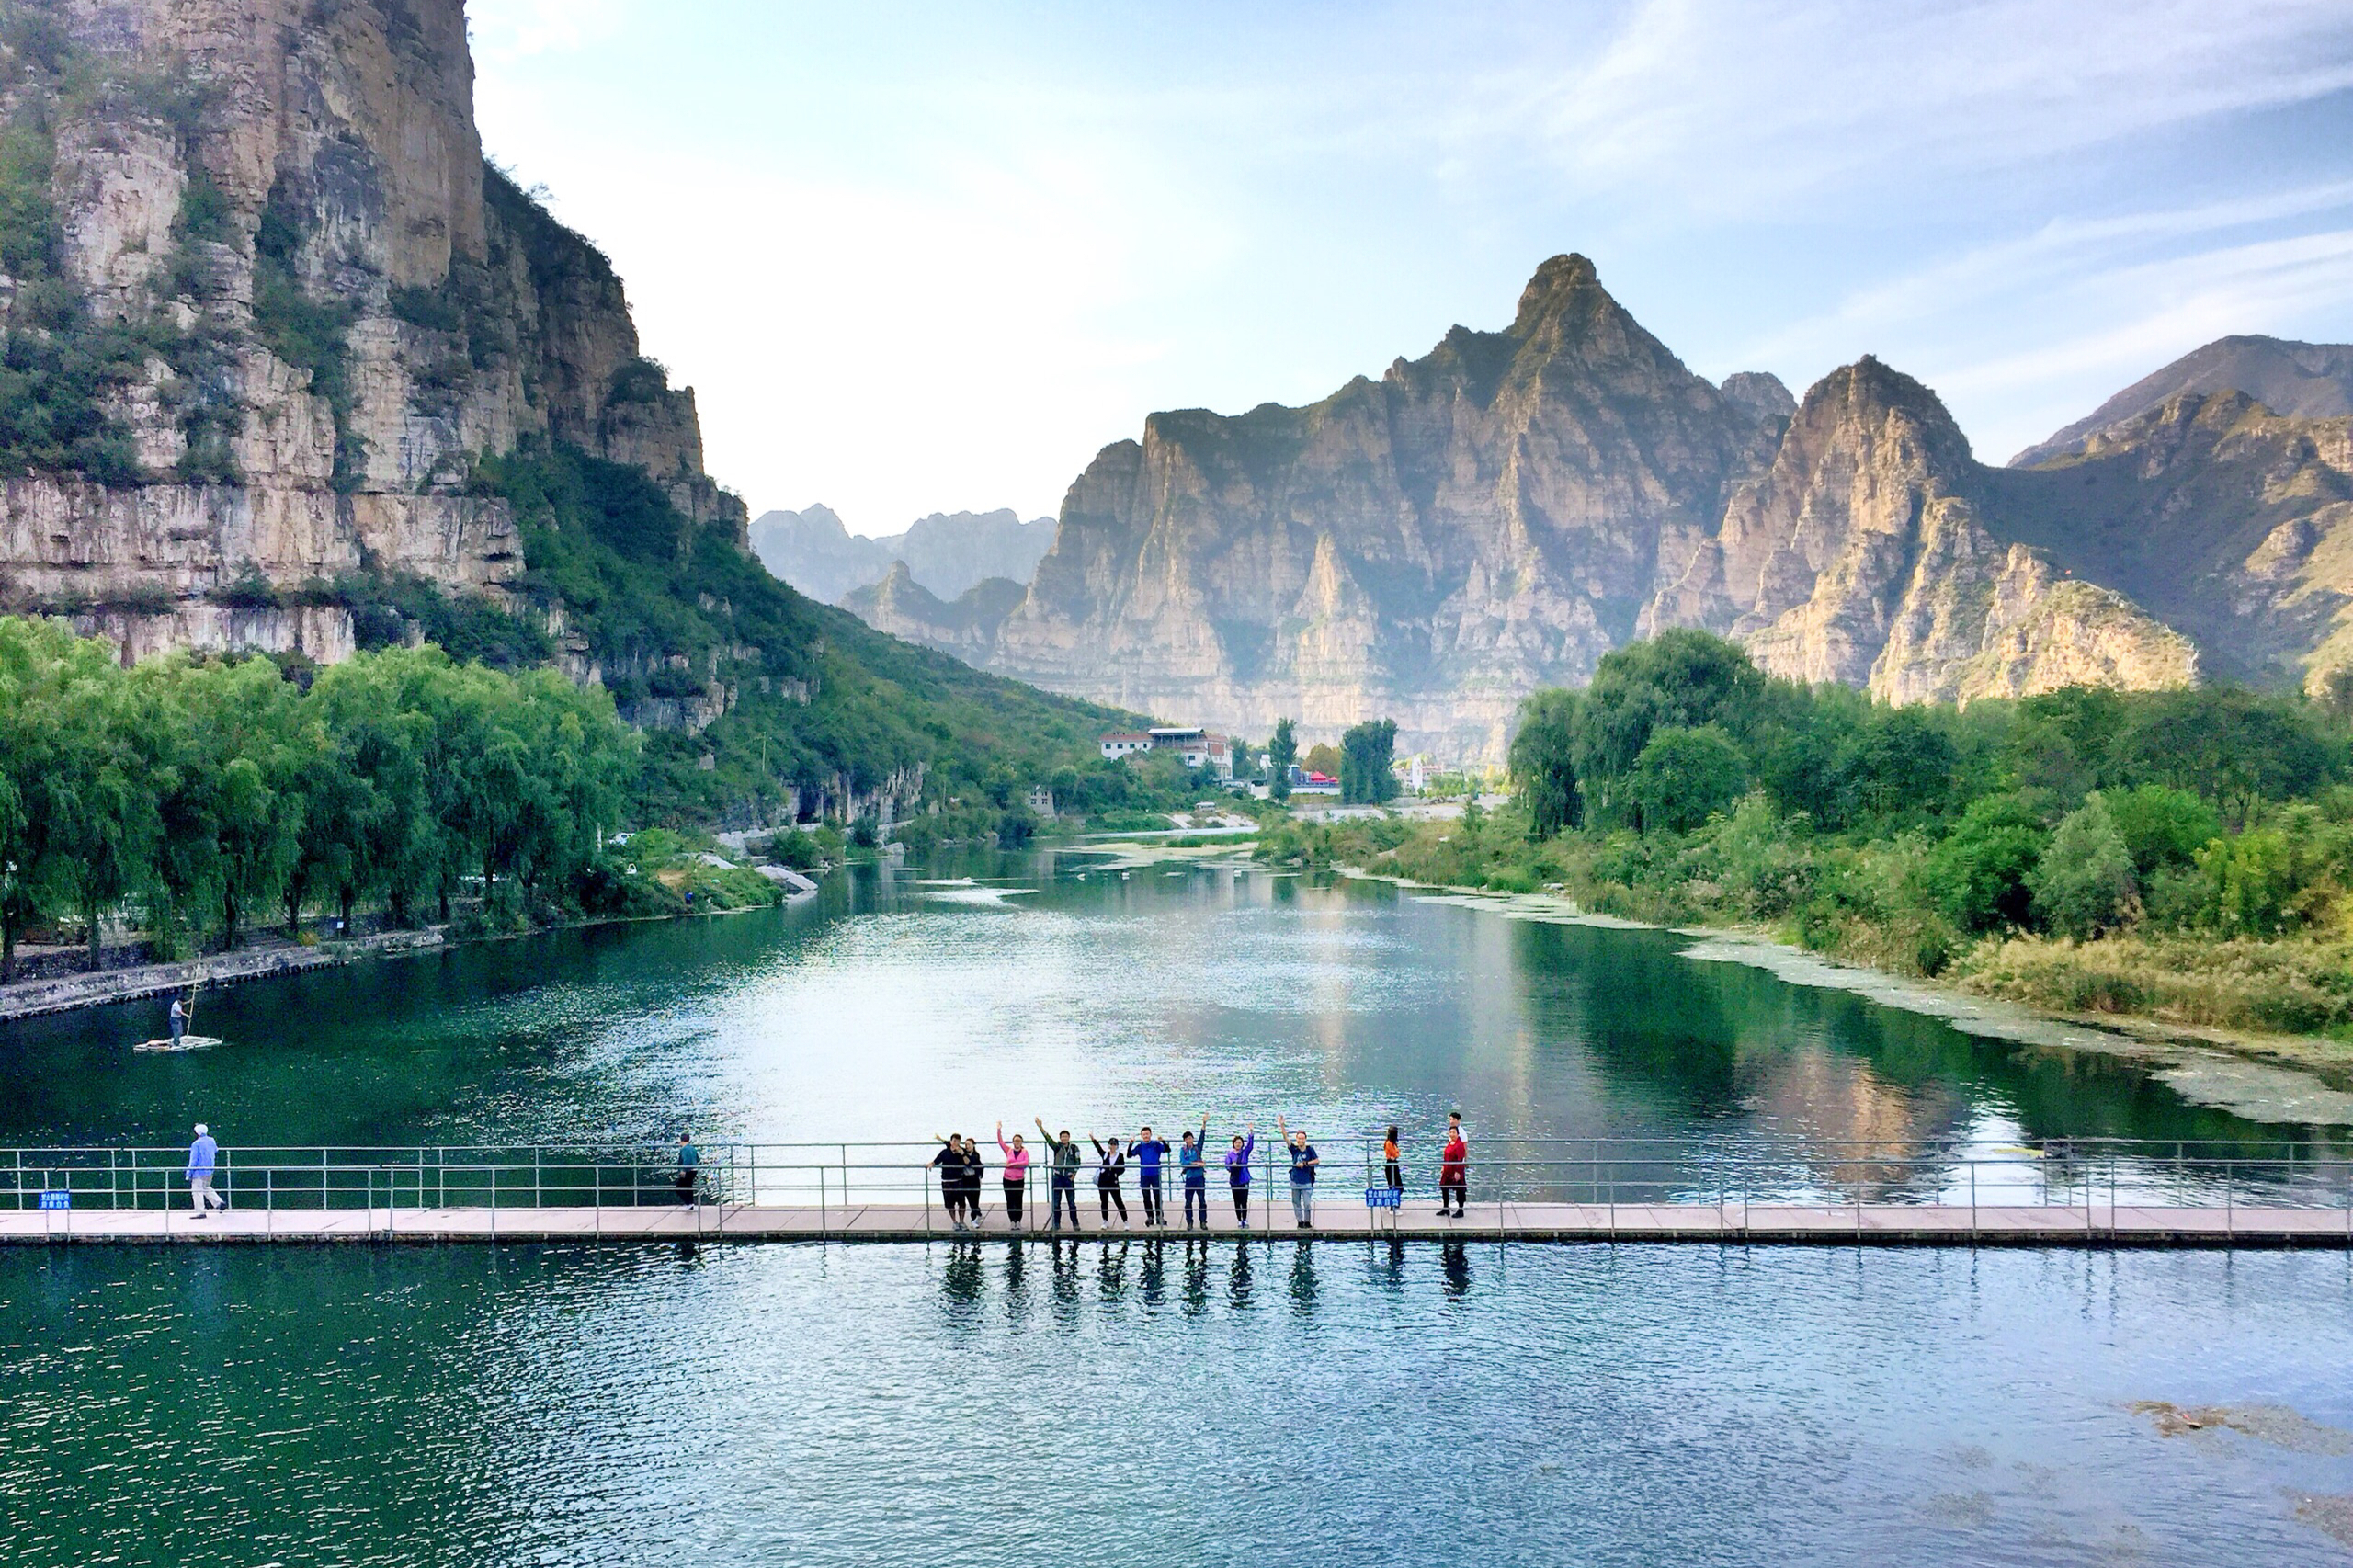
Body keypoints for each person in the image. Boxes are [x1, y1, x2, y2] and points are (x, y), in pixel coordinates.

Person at [1036, 1118, 1082, 1232]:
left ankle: (1075, 1224)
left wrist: (1074, 1173)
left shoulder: (1074, 1148)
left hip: (1068, 1178)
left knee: (1071, 1202)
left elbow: (1078, 1161)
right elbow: (1048, 1139)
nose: (1064, 1138)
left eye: (1066, 1137)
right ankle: (1056, 1224)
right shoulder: (1057, 1147)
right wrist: (1041, 1127)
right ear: (1060, 1138)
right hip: (1057, 1177)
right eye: (1062, 1137)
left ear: (1069, 1138)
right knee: (1056, 1202)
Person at [1279, 1115, 1319, 1229]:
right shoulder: (1294, 1150)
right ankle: (1300, 1221)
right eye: (1299, 1138)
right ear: (1297, 1139)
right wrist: (1282, 1126)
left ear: (1305, 1139)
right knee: (1296, 1202)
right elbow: (1286, 1139)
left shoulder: (1310, 1150)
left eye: (1302, 1138)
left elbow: (1317, 1160)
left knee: (1307, 1204)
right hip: (1295, 1180)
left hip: (1306, 1181)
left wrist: (1305, 1163)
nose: (1300, 1140)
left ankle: (1307, 1221)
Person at [1131, 1124, 1171, 1228]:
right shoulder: (1140, 1146)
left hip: (1155, 1174)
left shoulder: (1156, 1144)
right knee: (1146, 1197)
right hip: (1144, 1174)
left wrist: (1163, 1141)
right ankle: (1150, 1217)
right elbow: (1129, 1154)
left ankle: (1159, 1217)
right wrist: (1130, 1144)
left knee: (1157, 1196)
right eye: (1144, 1135)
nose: (1146, 1136)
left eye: (1147, 1134)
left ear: (1150, 1134)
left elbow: (1167, 1150)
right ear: (1141, 1136)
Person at [1177, 1116, 1211, 1230]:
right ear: (1185, 1141)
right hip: (1190, 1178)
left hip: (1199, 1177)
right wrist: (1197, 1163)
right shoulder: (1183, 1150)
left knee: (1202, 1200)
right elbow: (1183, 1162)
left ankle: (1203, 1222)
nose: (1189, 1140)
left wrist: (1204, 1124)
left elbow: (1202, 1138)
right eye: (1187, 1139)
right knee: (1188, 1202)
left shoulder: (1197, 1148)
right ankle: (1189, 1222)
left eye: (1190, 1138)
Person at [185, 1123, 224, 1217]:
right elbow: (215, 1150)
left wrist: (189, 1173)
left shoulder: (196, 1144)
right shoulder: (211, 1141)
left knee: (197, 1191)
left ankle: (200, 1211)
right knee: (206, 1187)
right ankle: (219, 1203)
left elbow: (193, 1160)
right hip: (210, 1169)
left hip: (198, 1171)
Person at [996, 1123, 1030, 1229]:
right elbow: (1000, 1142)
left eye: (1019, 1141)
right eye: (1015, 1141)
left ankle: (1018, 1221)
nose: (1017, 1142)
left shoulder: (1025, 1152)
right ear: (1013, 1142)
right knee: (1009, 1200)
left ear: (1022, 1142)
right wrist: (999, 1130)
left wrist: (1012, 1165)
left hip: (1019, 1180)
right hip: (1007, 1179)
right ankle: (1012, 1220)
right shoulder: (1009, 1151)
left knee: (1018, 1199)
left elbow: (1026, 1163)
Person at [1090, 1132, 1129, 1225]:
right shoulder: (1105, 1155)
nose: (1113, 1146)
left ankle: (1125, 1221)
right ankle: (1105, 1220)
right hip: (1103, 1181)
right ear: (1109, 1145)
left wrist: (1116, 1173)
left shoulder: (1120, 1156)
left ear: (1117, 1146)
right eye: (1111, 1144)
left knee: (1118, 1201)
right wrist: (1093, 1139)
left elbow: (1122, 1168)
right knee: (1104, 1201)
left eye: (1114, 1144)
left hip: (1113, 1181)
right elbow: (1098, 1148)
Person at [1224, 1123, 1256, 1228]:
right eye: (1236, 1143)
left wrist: (1251, 1132)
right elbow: (1227, 1166)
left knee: (1244, 1200)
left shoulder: (1244, 1153)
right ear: (1233, 1144)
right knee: (1236, 1200)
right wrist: (1232, 1166)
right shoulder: (1230, 1155)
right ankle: (1239, 1219)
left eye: (1240, 1143)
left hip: (1244, 1179)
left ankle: (1245, 1219)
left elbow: (1250, 1145)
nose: (1238, 1144)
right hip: (1234, 1180)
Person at [1439, 1111, 1469, 1218]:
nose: (1452, 1135)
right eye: (1450, 1133)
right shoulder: (1449, 1143)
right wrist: (1443, 1166)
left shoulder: (1459, 1144)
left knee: (1459, 1190)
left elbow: (1460, 1158)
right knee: (1444, 1187)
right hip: (1447, 1168)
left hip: (1456, 1169)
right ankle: (1445, 1208)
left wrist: (1458, 1171)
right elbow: (1446, 1155)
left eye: (1454, 1133)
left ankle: (1460, 1210)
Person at [958, 1134, 986, 1226]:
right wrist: (941, 1139)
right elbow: (953, 1146)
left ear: (973, 1145)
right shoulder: (963, 1152)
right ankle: (976, 1216)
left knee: (975, 1199)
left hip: (974, 1179)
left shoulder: (975, 1155)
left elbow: (969, 1163)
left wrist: (962, 1154)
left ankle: (974, 1218)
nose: (967, 1146)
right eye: (966, 1144)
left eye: (969, 1144)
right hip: (965, 1179)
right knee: (970, 1200)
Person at [675, 1132, 700, 1205]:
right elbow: (698, 1159)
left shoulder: (684, 1149)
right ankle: (690, 1203)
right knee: (689, 1186)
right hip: (694, 1170)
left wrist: (683, 1170)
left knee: (679, 1187)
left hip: (688, 1170)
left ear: (681, 1140)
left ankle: (688, 1202)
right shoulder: (692, 1148)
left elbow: (686, 1160)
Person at [1383, 1124, 1404, 1197]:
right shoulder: (1389, 1143)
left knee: (1398, 1185)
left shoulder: (1393, 1143)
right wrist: (1396, 1154)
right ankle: (1393, 1203)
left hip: (1394, 1163)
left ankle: (1394, 1201)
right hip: (1390, 1163)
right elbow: (1395, 1154)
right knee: (1393, 1184)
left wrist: (1396, 1154)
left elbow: (1397, 1153)